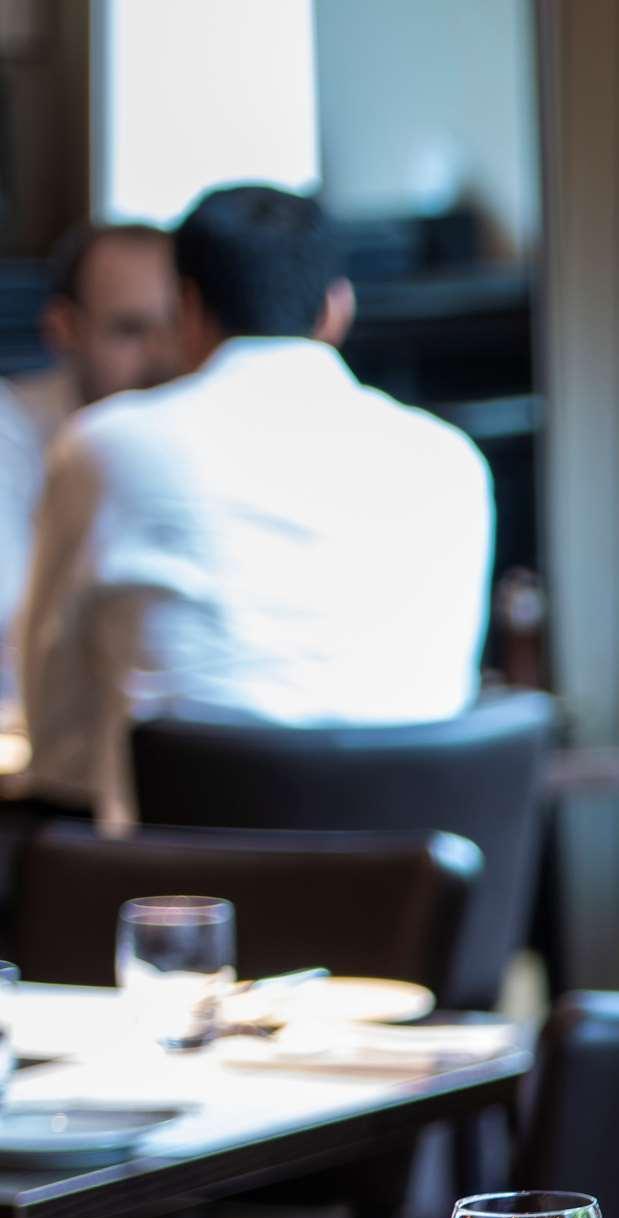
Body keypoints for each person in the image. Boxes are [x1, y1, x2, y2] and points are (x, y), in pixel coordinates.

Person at [16, 184, 491, 813]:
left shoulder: (106, 447)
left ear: (186, 307)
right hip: (408, 893)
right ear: (337, 309)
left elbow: (58, 734)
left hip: (177, 898)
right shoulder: (452, 461)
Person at [0, 221, 177, 632]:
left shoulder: (203, 429)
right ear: (64, 327)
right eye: (130, 330)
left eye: (175, 327)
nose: (160, 356)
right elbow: (11, 616)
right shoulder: (10, 428)